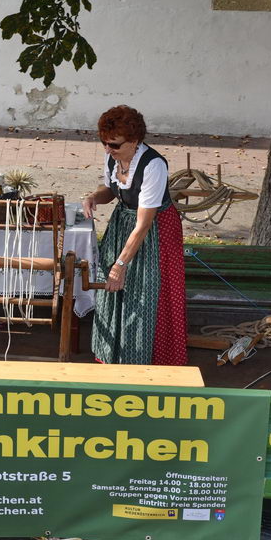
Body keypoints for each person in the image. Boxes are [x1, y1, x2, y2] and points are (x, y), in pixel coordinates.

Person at [82, 105, 186, 365]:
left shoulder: (154, 166)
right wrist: (94, 197)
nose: (108, 149)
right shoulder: (113, 158)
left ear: (134, 141)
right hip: (123, 225)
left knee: (146, 292)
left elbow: (144, 224)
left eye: (114, 145)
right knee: (114, 291)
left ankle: (147, 360)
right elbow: (110, 190)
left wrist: (120, 264)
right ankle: (113, 355)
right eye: (104, 143)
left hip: (155, 233)